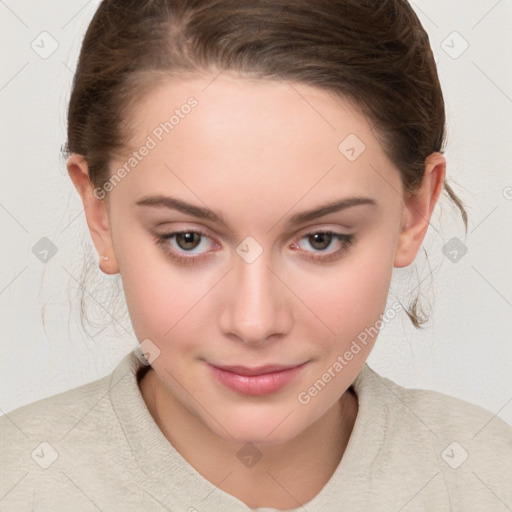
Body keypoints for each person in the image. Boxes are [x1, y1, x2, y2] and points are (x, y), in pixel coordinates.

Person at [1, 0, 511, 510]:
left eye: (321, 239)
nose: (254, 322)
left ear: (414, 209)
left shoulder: (489, 476)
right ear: (100, 213)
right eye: (188, 239)